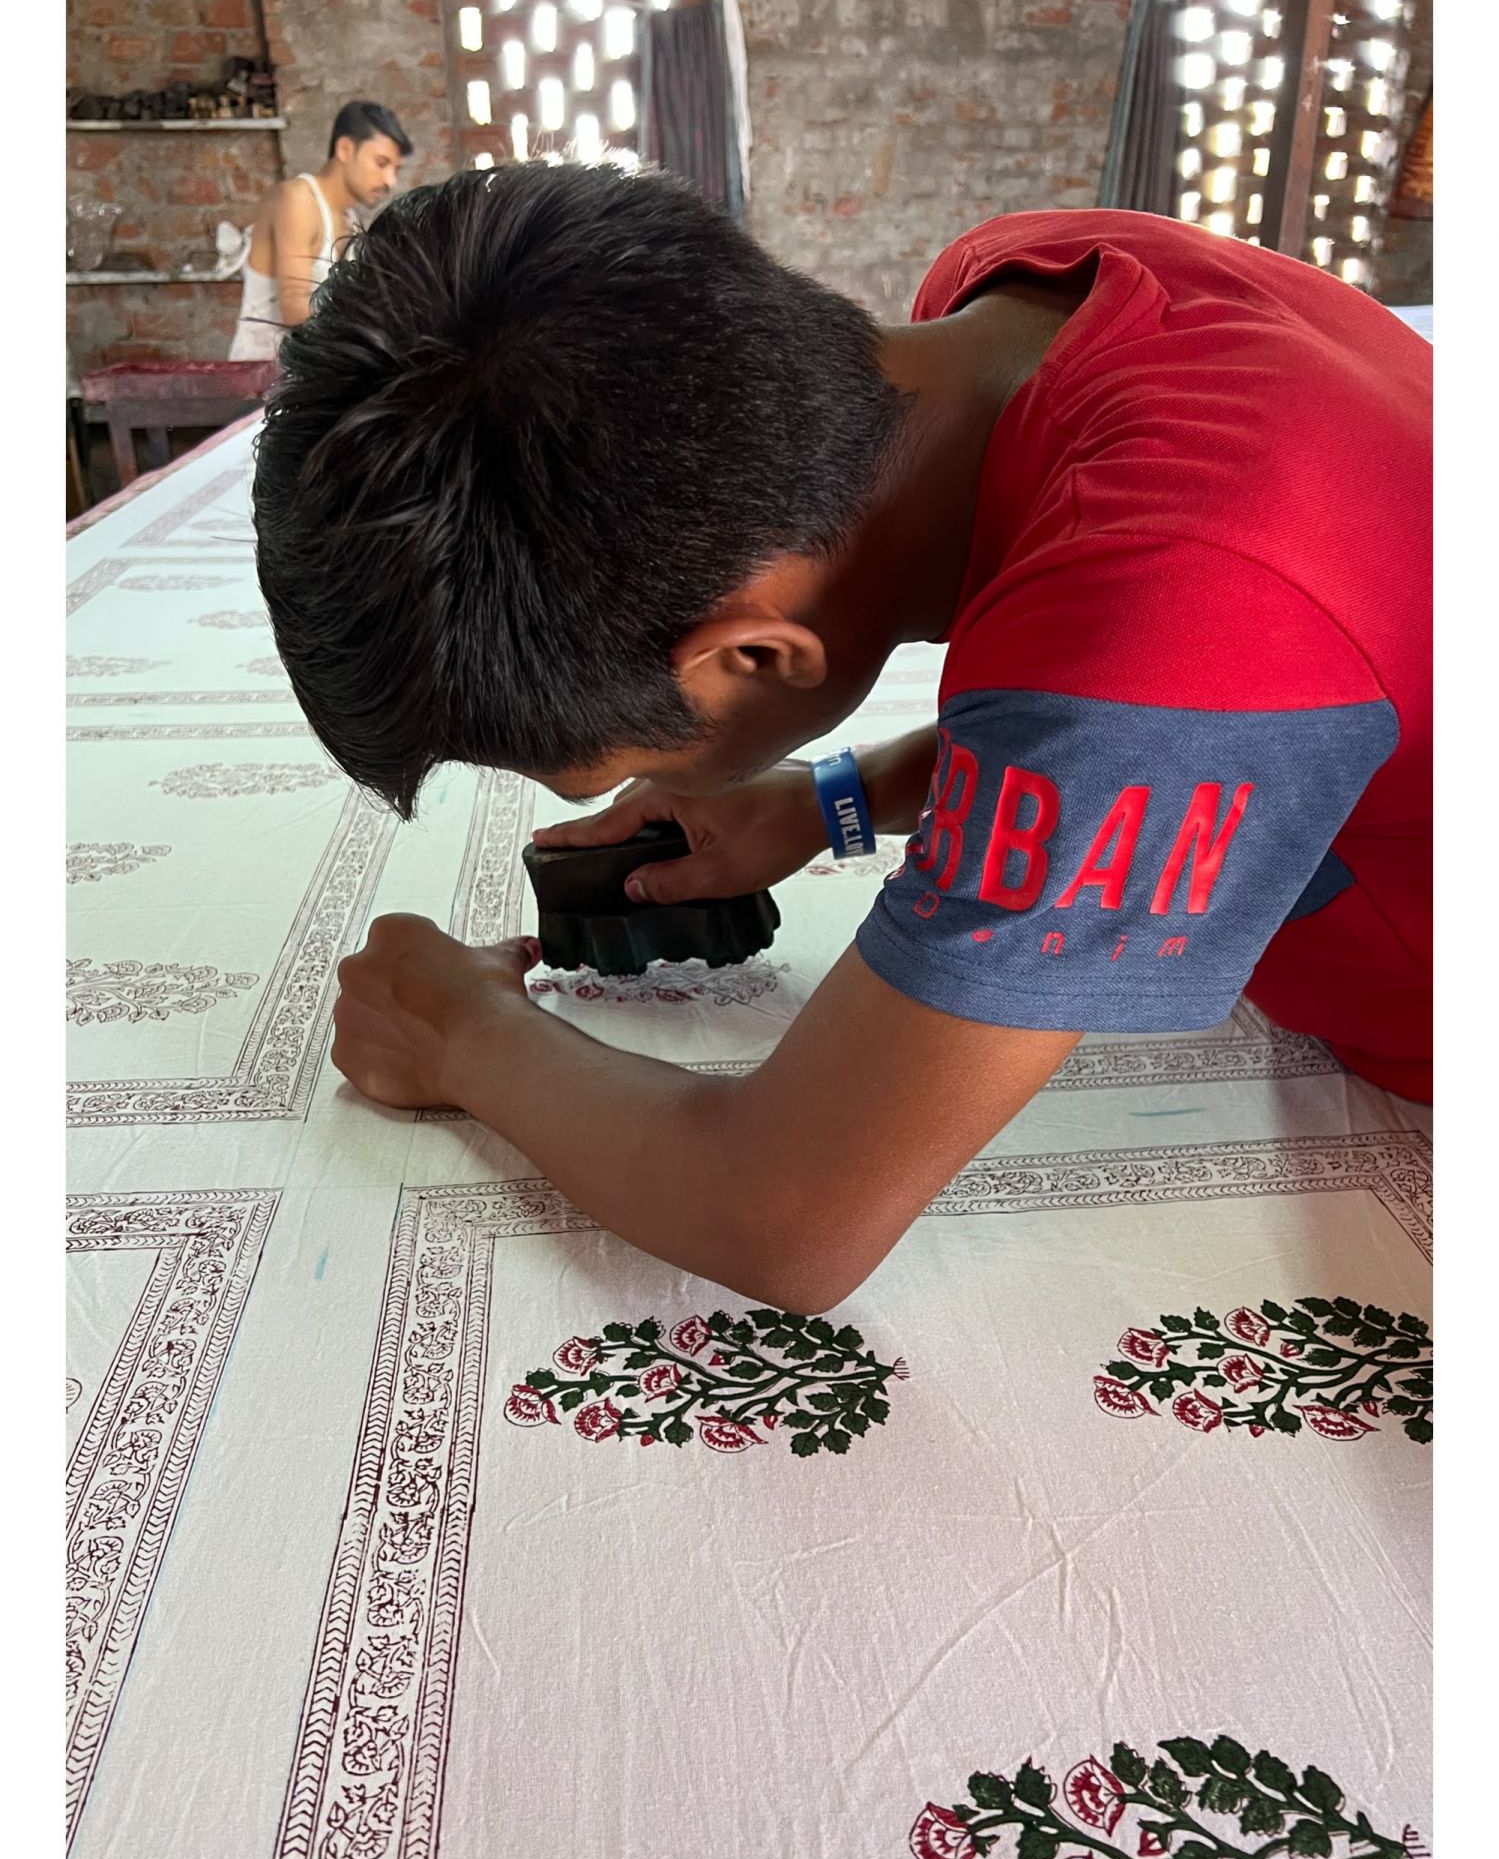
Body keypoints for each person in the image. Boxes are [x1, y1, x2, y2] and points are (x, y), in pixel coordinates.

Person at [252, 167, 1432, 1315]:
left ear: (756, 655)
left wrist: (457, 1030)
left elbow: (781, 1214)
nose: (636, 786)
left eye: (632, 763)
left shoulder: (1188, 596)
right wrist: (828, 799)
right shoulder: (1020, 289)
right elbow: (1124, 724)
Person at [227, 100, 411, 360]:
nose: (390, 181)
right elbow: (295, 311)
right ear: (345, 149)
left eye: (396, 169)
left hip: (307, 372)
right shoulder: (298, 199)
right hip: (259, 374)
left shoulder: (350, 220)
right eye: (382, 163)